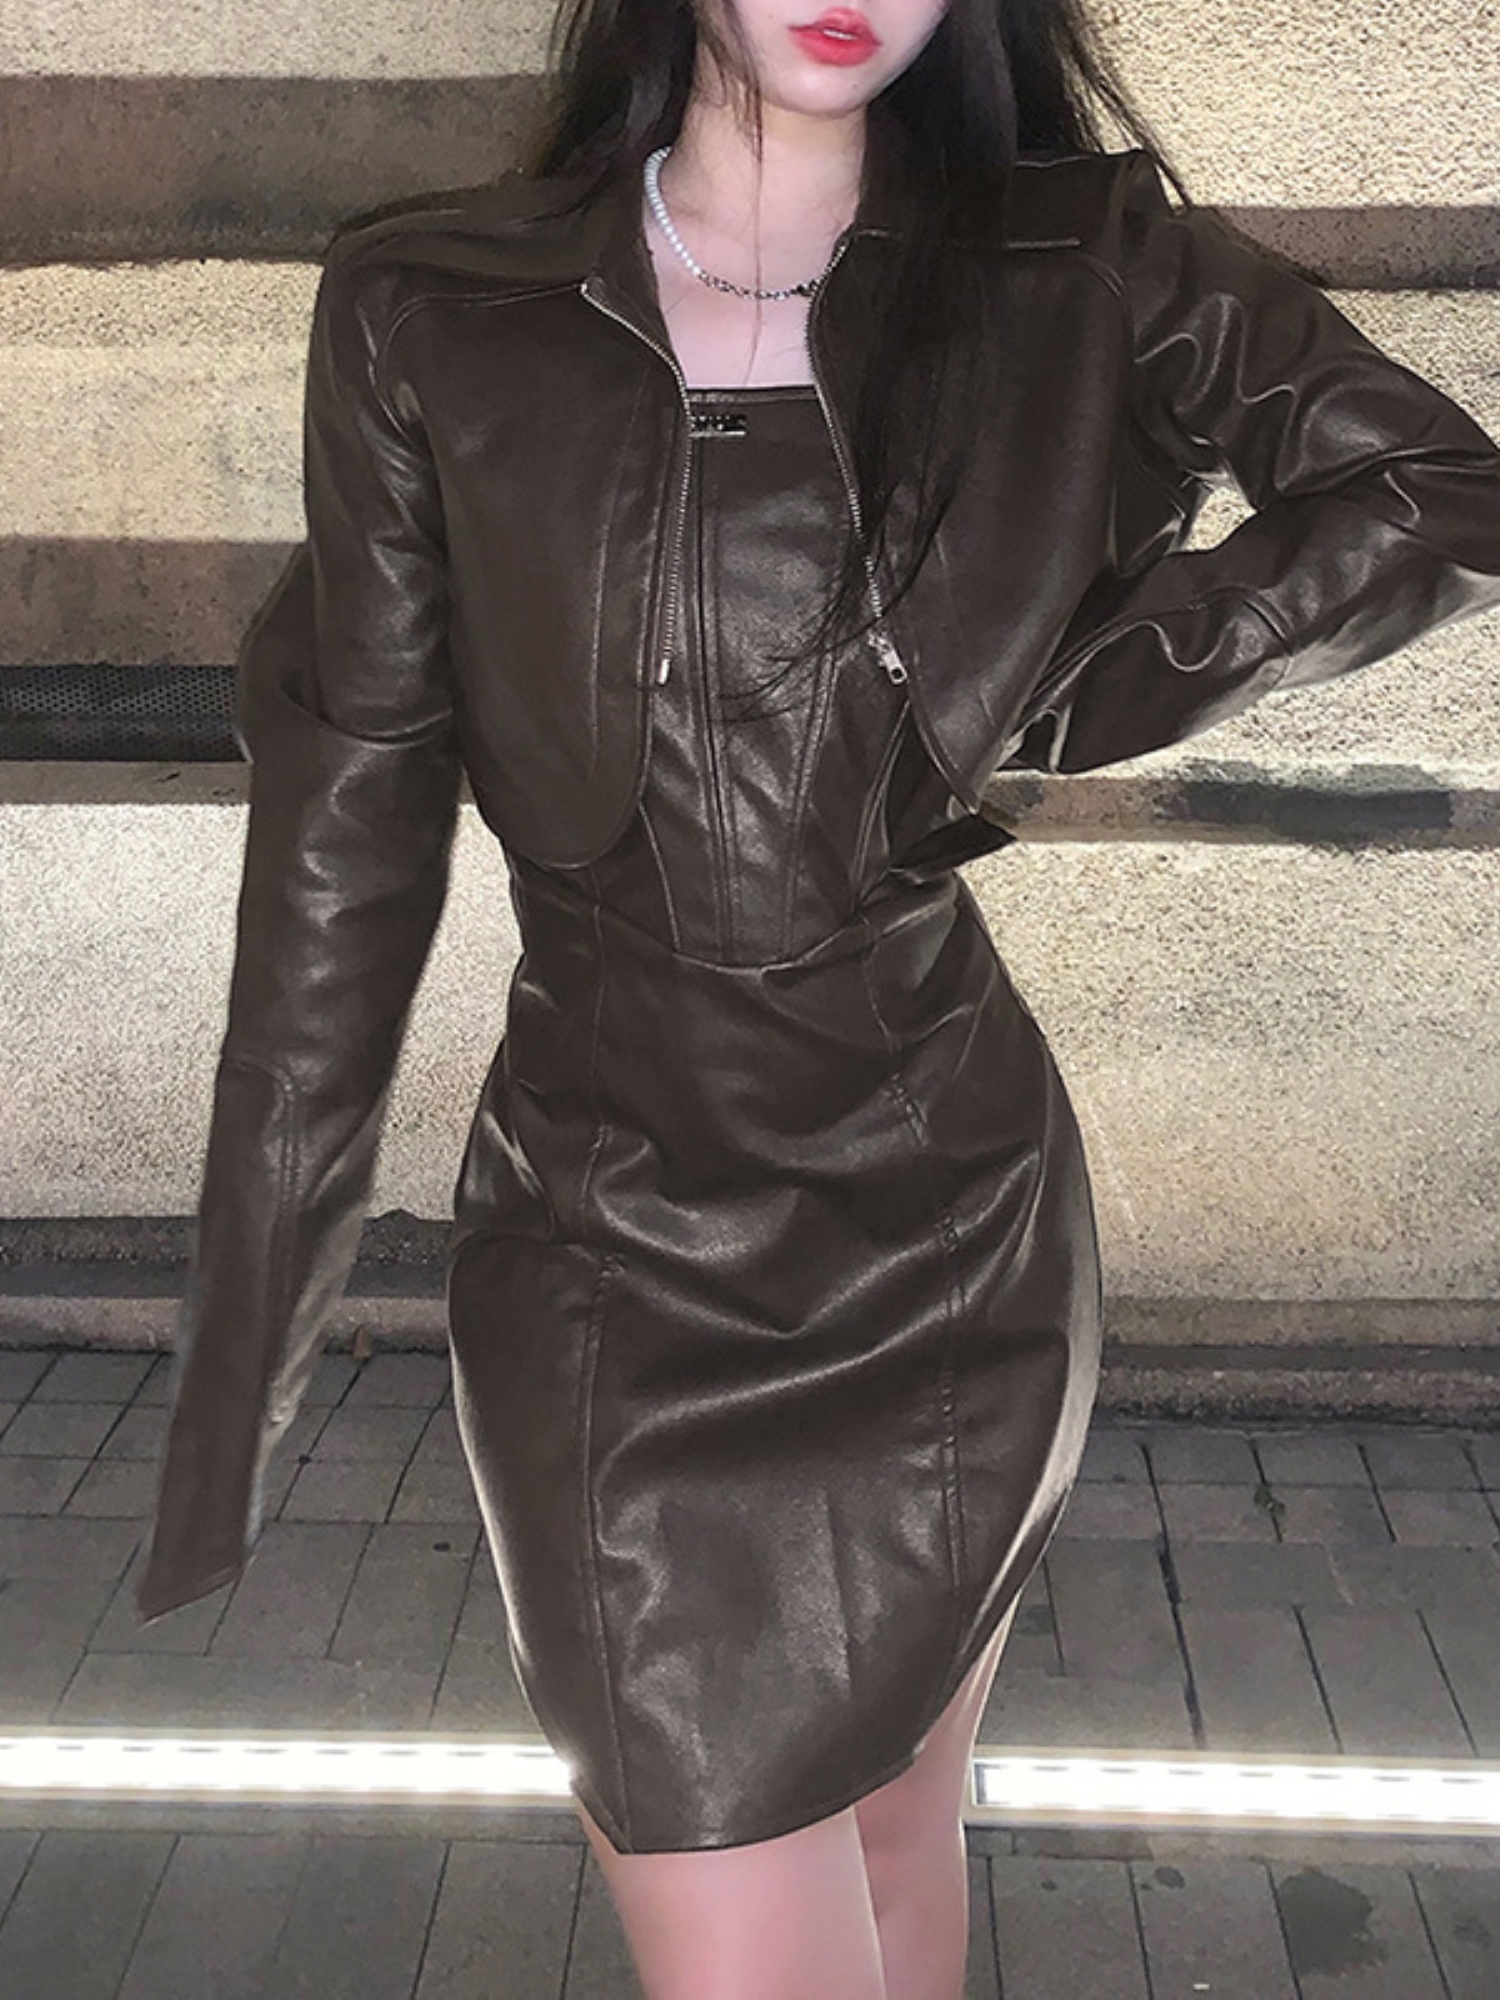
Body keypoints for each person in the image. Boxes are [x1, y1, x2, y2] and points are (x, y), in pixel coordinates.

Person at [134, 0, 1500, 1994]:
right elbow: (346, 844)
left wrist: (1055, 691)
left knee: (898, 1857)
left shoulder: (1083, 264)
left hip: (952, 1232)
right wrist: (243, 1354)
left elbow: (1436, 491)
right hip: (618, 1258)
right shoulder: (433, 311)